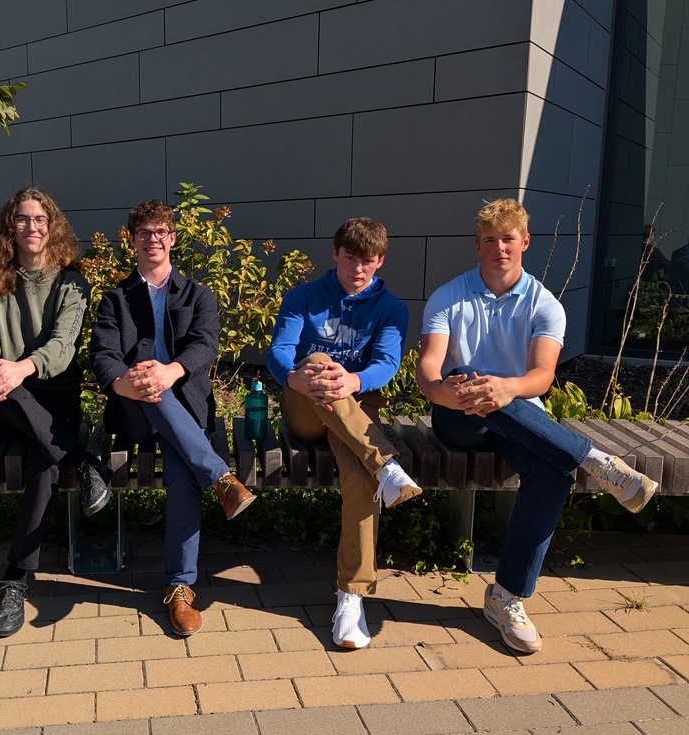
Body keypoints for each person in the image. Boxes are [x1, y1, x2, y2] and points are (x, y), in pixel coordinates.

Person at [416, 198, 659, 654]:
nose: (499, 248)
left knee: (551, 477)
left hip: (519, 421)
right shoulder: (449, 296)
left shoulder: (544, 304)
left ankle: (505, 596)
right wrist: (443, 391)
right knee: (467, 370)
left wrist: (506, 390)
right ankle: (596, 460)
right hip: (458, 419)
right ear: (478, 246)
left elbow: (542, 376)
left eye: (508, 239)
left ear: (524, 243)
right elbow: (429, 368)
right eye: (490, 239)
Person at [90, 199, 257, 637]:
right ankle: (222, 479)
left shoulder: (196, 294)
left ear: (173, 238)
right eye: (144, 232)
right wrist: (129, 384)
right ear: (133, 241)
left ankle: (179, 589)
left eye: (161, 231)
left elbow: (205, 345)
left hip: (187, 409)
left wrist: (171, 370)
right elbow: (103, 354)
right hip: (133, 410)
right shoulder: (115, 298)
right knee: (148, 383)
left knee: (182, 475)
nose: (153, 239)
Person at [0, 186, 112, 638]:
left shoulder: (71, 281)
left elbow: (63, 348)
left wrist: (20, 368)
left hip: (54, 398)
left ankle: (15, 580)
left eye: (41, 219)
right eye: (23, 219)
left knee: (44, 462)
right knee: (14, 396)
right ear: (10, 226)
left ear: (53, 226)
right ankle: (84, 462)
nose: (32, 227)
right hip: (5, 401)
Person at [268, 216, 422, 650]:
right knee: (316, 358)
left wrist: (351, 382)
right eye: (351, 258)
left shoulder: (392, 307)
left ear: (380, 261)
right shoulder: (304, 297)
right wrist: (298, 377)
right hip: (303, 406)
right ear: (335, 254)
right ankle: (388, 465)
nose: (358, 269)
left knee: (358, 477)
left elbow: (387, 363)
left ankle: (351, 597)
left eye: (368, 261)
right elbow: (280, 350)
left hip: (355, 409)